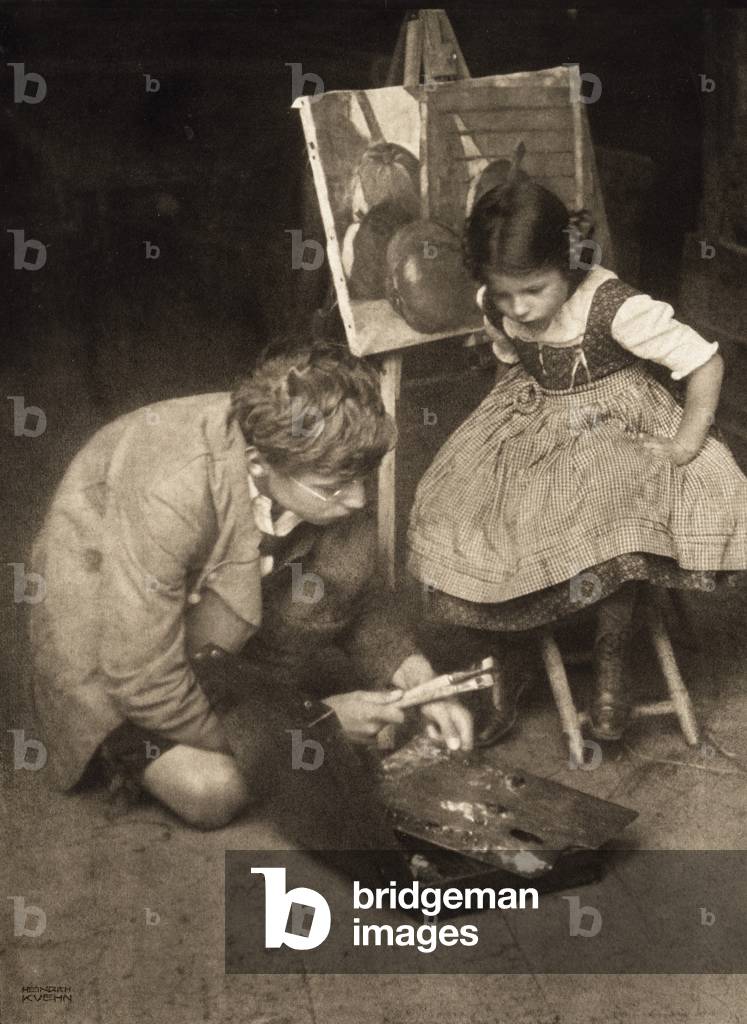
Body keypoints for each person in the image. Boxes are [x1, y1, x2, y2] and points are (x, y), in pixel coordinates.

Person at [30, 344, 473, 829]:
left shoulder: (321, 458)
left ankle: (235, 700)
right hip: (108, 624)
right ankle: (138, 746)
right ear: (259, 463)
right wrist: (313, 728)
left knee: (338, 557)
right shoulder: (170, 489)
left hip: (204, 605)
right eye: (334, 487)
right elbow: (140, 676)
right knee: (211, 792)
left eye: (363, 477)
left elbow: (359, 599)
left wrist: (420, 679)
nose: (358, 499)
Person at [408, 174, 747, 744]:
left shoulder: (614, 305)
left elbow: (705, 363)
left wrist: (687, 441)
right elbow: (512, 359)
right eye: (505, 293)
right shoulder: (498, 302)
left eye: (535, 290)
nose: (520, 306)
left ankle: (612, 663)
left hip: (616, 423)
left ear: (565, 262)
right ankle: (508, 658)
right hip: (539, 416)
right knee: (469, 506)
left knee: (610, 508)